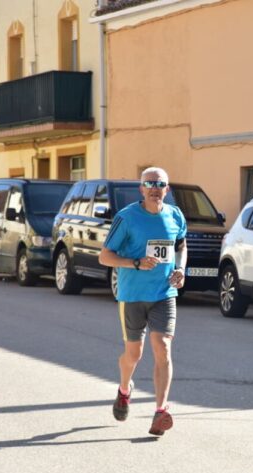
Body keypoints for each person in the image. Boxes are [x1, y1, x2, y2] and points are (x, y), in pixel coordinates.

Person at [99, 166, 187, 436]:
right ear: (141, 189)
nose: (154, 189)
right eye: (149, 184)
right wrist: (135, 263)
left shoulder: (175, 215)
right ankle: (124, 389)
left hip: (164, 293)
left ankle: (161, 411)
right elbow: (105, 256)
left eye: (159, 184)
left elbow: (181, 245)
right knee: (134, 354)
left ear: (167, 189)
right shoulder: (127, 218)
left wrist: (181, 268)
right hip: (132, 295)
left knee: (163, 348)